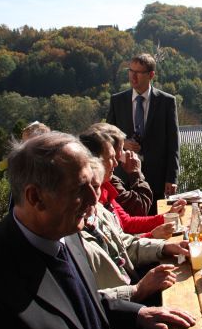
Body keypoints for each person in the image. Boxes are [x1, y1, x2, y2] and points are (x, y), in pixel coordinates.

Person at [0, 131, 196, 329]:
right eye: (80, 189)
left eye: (93, 183)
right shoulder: (4, 280)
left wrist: (138, 313)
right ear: (35, 197)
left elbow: (79, 301)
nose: (95, 198)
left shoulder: (65, 231)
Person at [82, 157, 186, 302]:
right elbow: (90, 300)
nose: (92, 197)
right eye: (112, 156)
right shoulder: (68, 238)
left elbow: (125, 245)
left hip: (132, 288)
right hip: (122, 305)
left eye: (95, 187)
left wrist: (165, 247)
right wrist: (138, 290)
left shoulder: (99, 210)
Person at [107, 53, 180, 212]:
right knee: (127, 223)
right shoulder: (117, 101)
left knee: (157, 223)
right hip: (123, 180)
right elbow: (107, 137)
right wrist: (123, 143)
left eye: (138, 72)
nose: (133, 76)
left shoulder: (166, 102)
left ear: (151, 75)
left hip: (156, 179)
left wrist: (171, 177)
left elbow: (173, 143)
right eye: (130, 71)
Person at [79, 128, 185, 237]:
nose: (116, 163)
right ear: (95, 161)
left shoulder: (105, 186)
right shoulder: (96, 193)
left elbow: (126, 222)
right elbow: (139, 208)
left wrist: (167, 216)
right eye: (111, 157)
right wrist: (152, 235)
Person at [88, 122, 153, 216]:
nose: (125, 153)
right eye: (121, 149)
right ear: (110, 150)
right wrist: (136, 173)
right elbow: (139, 208)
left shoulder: (108, 178)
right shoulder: (106, 181)